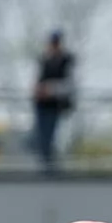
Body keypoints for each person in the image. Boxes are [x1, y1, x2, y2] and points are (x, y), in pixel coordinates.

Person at [33, 31, 75, 174]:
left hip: (55, 105)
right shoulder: (44, 59)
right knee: (40, 137)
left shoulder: (66, 60)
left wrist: (49, 90)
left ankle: (52, 168)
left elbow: (69, 84)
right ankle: (46, 166)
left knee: (52, 136)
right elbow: (38, 80)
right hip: (41, 104)